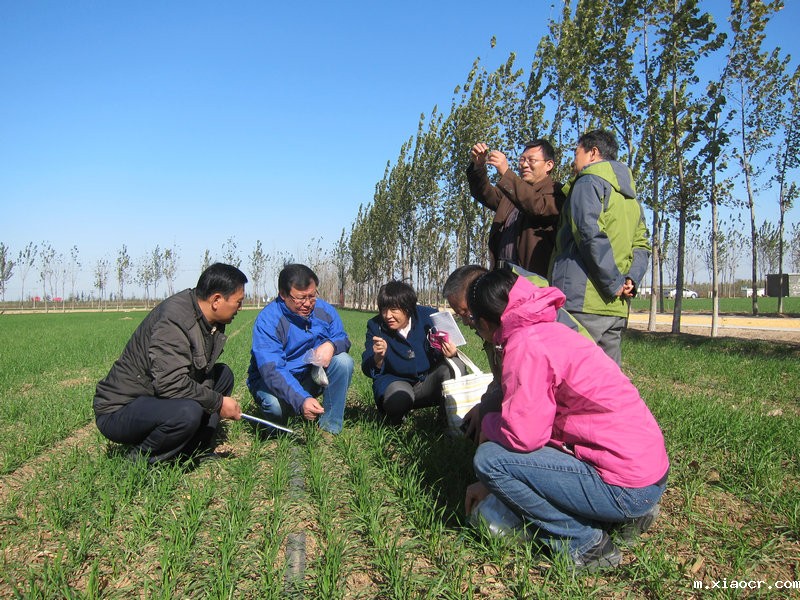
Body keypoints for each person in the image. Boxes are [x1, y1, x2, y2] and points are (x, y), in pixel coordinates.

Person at [463, 269, 669, 571]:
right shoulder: (551, 329)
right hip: (650, 474)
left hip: (629, 489)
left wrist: (490, 425)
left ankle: (584, 544)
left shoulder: (525, 346)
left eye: (471, 321)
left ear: (483, 322)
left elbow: (524, 438)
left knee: (490, 459)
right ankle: (627, 518)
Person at [93, 263, 247, 464]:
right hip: (121, 408)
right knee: (187, 412)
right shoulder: (174, 320)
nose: (240, 308)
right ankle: (137, 462)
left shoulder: (211, 321)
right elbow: (170, 383)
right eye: (238, 302)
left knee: (223, 376)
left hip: (155, 398)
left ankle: (192, 451)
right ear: (216, 300)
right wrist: (217, 402)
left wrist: (213, 399)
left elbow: (203, 373)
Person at [442, 264, 592, 442]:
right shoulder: (501, 321)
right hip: (564, 408)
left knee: (491, 450)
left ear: (480, 292)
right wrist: (484, 406)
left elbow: (526, 432)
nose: (467, 322)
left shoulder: (528, 333)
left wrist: (490, 426)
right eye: (460, 316)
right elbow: (505, 379)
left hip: (578, 414)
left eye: (467, 313)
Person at [549, 129, 650, 365]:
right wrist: (630, 280)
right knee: (608, 377)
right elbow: (642, 245)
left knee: (572, 373)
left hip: (583, 301)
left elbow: (589, 232)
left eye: (576, 153)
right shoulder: (631, 198)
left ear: (593, 153)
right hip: (616, 307)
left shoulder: (588, 182)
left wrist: (613, 282)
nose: (573, 161)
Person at [247, 264, 353, 435]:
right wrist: (302, 399)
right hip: (274, 382)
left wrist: (332, 345)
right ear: (283, 294)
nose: (308, 303)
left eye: (312, 296)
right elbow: (272, 370)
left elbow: (342, 337)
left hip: (310, 375)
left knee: (343, 362)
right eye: (301, 298)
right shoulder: (268, 321)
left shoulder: (324, 310)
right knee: (275, 408)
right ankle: (289, 411)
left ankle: (330, 427)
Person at [361, 281, 465, 425]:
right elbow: (367, 367)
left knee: (456, 366)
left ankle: (448, 421)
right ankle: (396, 422)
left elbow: (448, 345)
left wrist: (451, 352)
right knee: (397, 400)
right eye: (383, 310)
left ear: (408, 307)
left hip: (428, 380)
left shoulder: (429, 317)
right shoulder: (375, 326)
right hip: (396, 382)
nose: (388, 315)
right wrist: (378, 358)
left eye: (394, 309)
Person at [466, 139, 564, 276]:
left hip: (532, 280)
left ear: (549, 165)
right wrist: (479, 166)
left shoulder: (556, 192)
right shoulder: (512, 193)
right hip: (503, 276)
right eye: (522, 160)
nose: (524, 165)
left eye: (531, 160)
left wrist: (506, 173)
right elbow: (485, 194)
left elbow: (537, 207)